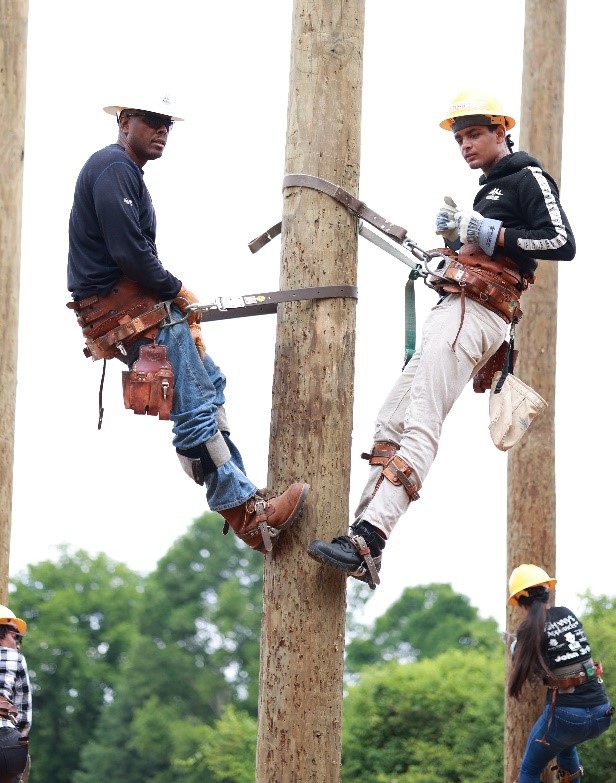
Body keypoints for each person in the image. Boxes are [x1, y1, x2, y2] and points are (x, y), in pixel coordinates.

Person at [308, 89, 576, 588]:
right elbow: (489, 248)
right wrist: (459, 243)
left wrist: (487, 231)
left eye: (474, 134)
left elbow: (561, 242)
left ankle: (370, 536)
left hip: (473, 311)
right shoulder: (489, 187)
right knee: (393, 419)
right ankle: (362, 534)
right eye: (459, 138)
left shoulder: (527, 176)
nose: (465, 145)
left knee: (420, 425)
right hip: (457, 306)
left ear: (501, 132)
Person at [66, 93, 309, 553]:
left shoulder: (122, 171)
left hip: (136, 309)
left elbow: (131, 252)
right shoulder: (113, 167)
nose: (161, 131)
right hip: (133, 313)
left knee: (209, 387)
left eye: (167, 124)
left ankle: (241, 492)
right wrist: (174, 288)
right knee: (195, 409)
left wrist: (172, 297)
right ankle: (247, 514)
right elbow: (129, 252)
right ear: (124, 122)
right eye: (151, 121)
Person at [507, 564, 613, 783]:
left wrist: (511, 643)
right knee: (564, 746)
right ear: (548, 590)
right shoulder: (567, 614)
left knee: (529, 771)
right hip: (602, 712)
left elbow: (523, 660)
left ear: (519, 601)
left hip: (568, 716)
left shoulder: (528, 629)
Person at [0, 605, 31, 783]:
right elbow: (24, 715)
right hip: (6, 745)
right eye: (16, 636)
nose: (17, 644)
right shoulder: (16, 658)